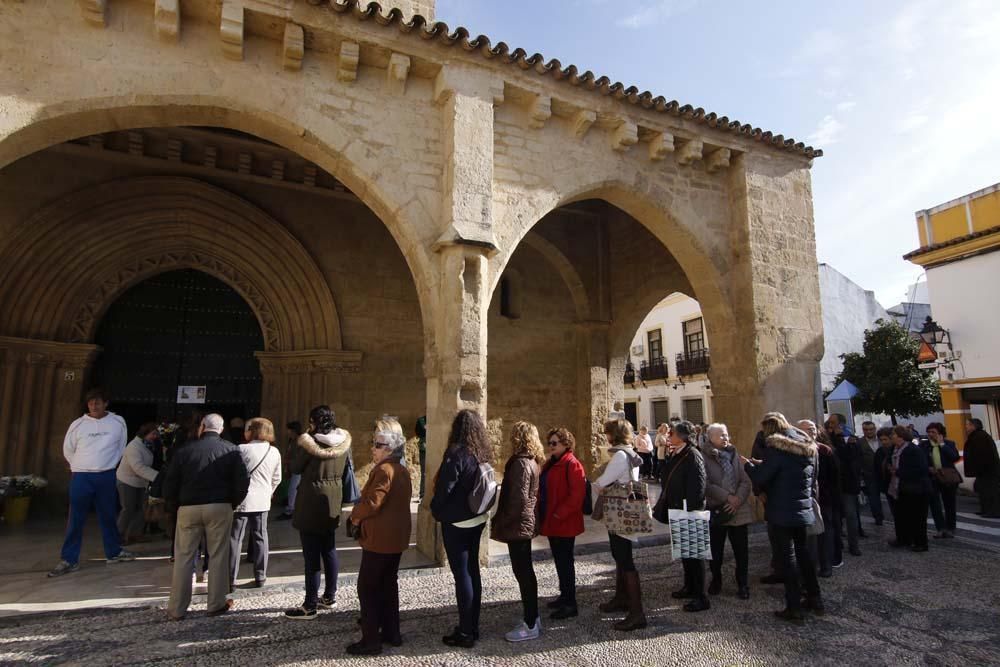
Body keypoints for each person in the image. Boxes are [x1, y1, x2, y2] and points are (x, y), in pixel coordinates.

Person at [162, 413, 249, 620]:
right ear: (221, 429)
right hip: (219, 506)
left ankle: (176, 608)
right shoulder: (231, 450)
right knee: (218, 555)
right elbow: (242, 482)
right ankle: (216, 603)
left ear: (202, 427)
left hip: (188, 507)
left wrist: (173, 506)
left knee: (183, 557)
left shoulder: (184, 451)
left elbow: (170, 482)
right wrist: (232, 503)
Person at [743, 412, 822, 623]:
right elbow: (810, 477)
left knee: (787, 560)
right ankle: (815, 598)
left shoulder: (776, 450)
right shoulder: (808, 447)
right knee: (804, 556)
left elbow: (762, 477)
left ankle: (794, 606)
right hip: (803, 509)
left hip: (781, 511)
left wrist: (749, 466)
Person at [49, 388, 134, 578]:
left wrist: (107, 464)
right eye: (90, 403)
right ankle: (69, 559)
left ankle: (113, 551)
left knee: (108, 515)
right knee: (76, 518)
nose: (94, 406)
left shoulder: (117, 422)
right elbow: (68, 449)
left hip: (105, 475)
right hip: (81, 476)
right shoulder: (78, 424)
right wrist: (80, 466)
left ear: (106, 403)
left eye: (97, 402)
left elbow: (121, 446)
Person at [345, 428, 412, 655]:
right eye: (374, 443)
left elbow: (373, 502)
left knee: (368, 588)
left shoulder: (385, 470)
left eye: (378, 445)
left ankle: (371, 640)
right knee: (387, 585)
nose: (373, 448)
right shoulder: (401, 470)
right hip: (395, 538)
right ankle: (392, 633)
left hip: (380, 540)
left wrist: (354, 515)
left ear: (390, 450)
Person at [430, 409, 494, 648]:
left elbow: (445, 487)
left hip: (457, 521)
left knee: (463, 575)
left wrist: (435, 510)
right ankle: (472, 626)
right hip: (477, 519)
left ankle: (466, 631)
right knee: (472, 571)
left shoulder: (456, 453)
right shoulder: (481, 452)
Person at [284, 406, 351, 619]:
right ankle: (330, 595)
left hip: (311, 499)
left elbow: (295, 467)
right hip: (332, 499)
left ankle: (310, 605)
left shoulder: (308, 443)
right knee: (329, 549)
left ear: (313, 421)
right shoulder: (343, 441)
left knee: (311, 555)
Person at [491, 421, 544, 642]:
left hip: (519, 525)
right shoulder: (530, 461)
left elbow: (519, 499)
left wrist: (501, 521)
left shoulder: (522, 464)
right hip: (522, 523)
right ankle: (533, 617)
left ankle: (530, 623)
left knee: (524, 573)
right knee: (525, 572)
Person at [593, 418, 646, 629]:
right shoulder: (630, 453)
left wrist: (600, 486)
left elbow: (601, 482)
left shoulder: (620, 456)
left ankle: (636, 612)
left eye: (607, 432)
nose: (605, 436)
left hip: (619, 511)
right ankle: (621, 598)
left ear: (612, 434)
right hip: (627, 509)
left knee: (624, 558)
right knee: (620, 554)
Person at [654, 420, 709, 613]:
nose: (669, 436)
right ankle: (689, 586)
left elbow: (699, 484)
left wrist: (691, 508)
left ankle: (700, 596)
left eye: (673, 434)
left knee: (695, 554)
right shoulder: (678, 452)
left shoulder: (693, 455)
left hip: (689, 510)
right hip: (679, 508)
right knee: (685, 553)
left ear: (682, 436)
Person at [538, 427, 586, 622]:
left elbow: (577, 496)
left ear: (566, 444)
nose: (550, 446)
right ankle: (564, 596)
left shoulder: (572, 465)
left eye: (554, 443)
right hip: (553, 521)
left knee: (566, 563)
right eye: (549, 442)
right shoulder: (551, 464)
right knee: (559, 561)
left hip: (564, 522)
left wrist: (559, 514)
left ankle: (570, 603)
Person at [229, 418, 282, 589]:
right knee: (260, 536)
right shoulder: (274, 452)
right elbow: (277, 478)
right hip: (262, 499)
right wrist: (269, 491)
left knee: (235, 538)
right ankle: (260, 575)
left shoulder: (241, 449)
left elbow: (234, 475)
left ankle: (230, 577)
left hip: (242, 499)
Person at [701, 423, 751, 599]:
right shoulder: (704, 457)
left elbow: (745, 480)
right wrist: (727, 497)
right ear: (711, 438)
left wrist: (737, 499)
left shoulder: (734, 454)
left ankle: (743, 583)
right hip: (718, 509)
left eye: (726, 434)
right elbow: (706, 484)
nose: (725, 438)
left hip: (738, 510)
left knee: (741, 551)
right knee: (716, 550)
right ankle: (716, 579)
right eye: (721, 435)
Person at [800, 420, 841, 576]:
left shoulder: (825, 451)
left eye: (812, 430)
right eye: (806, 430)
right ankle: (808, 565)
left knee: (825, 532)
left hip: (824, 498)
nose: (810, 433)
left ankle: (826, 564)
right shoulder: (794, 451)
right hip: (805, 499)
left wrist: (834, 498)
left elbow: (835, 477)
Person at [888, 424, 932, 552]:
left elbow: (921, 469)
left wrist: (898, 472)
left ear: (901, 436)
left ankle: (921, 543)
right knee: (903, 515)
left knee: (917, 517)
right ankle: (904, 539)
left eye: (894, 435)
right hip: (902, 488)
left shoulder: (912, 450)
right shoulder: (895, 449)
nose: (892, 437)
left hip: (917, 489)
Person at [116, 422, 160, 545]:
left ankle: (135, 534)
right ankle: (118, 535)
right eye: (153, 434)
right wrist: (157, 476)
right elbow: (138, 467)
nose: (155, 436)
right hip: (127, 481)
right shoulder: (133, 447)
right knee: (128, 509)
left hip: (141, 482)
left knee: (141, 509)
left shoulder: (148, 445)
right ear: (144, 434)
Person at [826, 417, 862, 556]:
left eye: (833, 423)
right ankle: (838, 543)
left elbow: (852, 459)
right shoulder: (830, 438)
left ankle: (854, 545)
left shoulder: (850, 439)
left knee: (851, 515)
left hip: (848, 484)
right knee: (835, 517)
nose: (830, 425)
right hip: (833, 484)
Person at [922, 422, 960, 539]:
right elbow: (920, 460)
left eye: (933, 432)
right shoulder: (924, 445)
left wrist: (942, 444)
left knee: (949, 503)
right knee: (935, 504)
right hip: (932, 477)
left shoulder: (949, 443)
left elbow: (954, 457)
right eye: (929, 432)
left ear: (940, 433)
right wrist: (928, 468)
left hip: (947, 477)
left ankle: (950, 528)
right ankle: (940, 528)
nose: (930, 434)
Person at [963, 418, 1000, 518]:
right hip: (985, 471)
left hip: (987, 471)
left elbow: (982, 455)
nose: (966, 427)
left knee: (989, 492)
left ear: (973, 426)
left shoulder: (979, 437)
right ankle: (986, 510)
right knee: (984, 491)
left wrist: (979, 468)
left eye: (967, 425)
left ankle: (992, 511)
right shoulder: (978, 436)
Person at [277, 421, 305, 521]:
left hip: (298, 469)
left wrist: (289, 461)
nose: (288, 432)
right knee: (292, 489)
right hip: (293, 468)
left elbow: (299, 456)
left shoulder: (300, 440)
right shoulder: (292, 440)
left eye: (289, 430)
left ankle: (290, 510)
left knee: (293, 489)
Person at [858, 421, 884, 525]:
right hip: (870, 474)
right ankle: (878, 518)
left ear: (875, 429)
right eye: (866, 430)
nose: (868, 432)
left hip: (884, 473)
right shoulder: (859, 443)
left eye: (871, 429)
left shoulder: (882, 440)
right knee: (874, 497)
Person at [874, 427, 897, 521]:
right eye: (881, 440)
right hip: (887, 485)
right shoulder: (879, 452)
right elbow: (877, 469)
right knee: (894, 511)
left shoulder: (896, 450)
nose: (883, 442)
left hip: (899, 485)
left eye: (885, 439)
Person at [415, 415, 427, 499]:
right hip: (424, 449)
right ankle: (422, 493)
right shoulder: (421, 420)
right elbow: (418, 432)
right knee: (424, 472)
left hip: (435, 448)